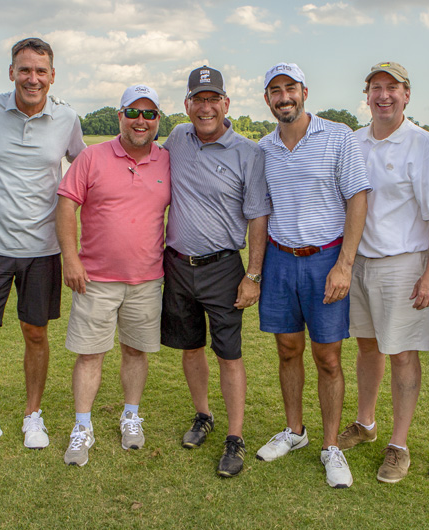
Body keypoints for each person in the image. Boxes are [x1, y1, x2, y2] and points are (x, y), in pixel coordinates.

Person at [0, 38, 86, 456]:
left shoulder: (67, 118)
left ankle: (33, 414)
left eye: (41, 71)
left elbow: (86, 169)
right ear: (11, 72)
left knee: (35, 333)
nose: (33, 78)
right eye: (25, 69)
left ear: (52, 76)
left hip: (43, 249)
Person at [334, 62, 429, 484]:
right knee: (367, 347)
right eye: (376, 87)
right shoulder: (353, 142)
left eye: (392, 87)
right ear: (366, 95)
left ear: (407, 95)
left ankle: (399, 445)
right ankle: (365, 424)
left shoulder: (423, 145)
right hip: (359, 263)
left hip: (403, 264)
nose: (383, 95)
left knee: (402, 353)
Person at [254, 62, 370, 489]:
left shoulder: (338, 136)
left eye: (291, 88)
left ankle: (331, 445)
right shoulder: (263, 148)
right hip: (280, 260)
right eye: (275, 90)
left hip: (326, 259)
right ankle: (295, 430)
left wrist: (345, 264)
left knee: (328, 357)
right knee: (287, 349)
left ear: (304, 92)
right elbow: (260, 211)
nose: (284, 97)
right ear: (267, 99)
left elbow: (358, 198)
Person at [161, 65, 270, 478]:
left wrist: (253, 275)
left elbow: (257, 216)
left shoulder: (248, 152)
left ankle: (235, 436)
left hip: (223, 267)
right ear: (187, 104)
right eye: (198, 99)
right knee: (190, 347)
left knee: (229, 354)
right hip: (177, 264)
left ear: (226, 103)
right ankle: (203, 415)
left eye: (212, 99)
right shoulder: (177, 138)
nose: (205, 107)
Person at [56, 85, 170, 466]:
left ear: (157, 120)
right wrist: (70, 258)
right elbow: (66, 205)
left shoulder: (167, 161)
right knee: (90, 354)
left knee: (135, 350)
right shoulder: (92, 157)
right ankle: (82, 426)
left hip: (146, 279)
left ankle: (131, 416)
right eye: (133, 112)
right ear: (120, 116)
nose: (141, 121)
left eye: (149, 114)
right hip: (95, 279)